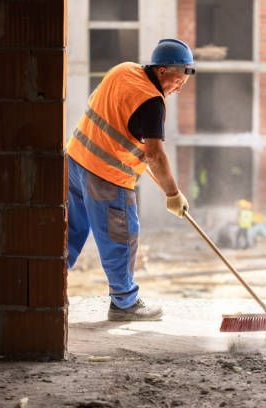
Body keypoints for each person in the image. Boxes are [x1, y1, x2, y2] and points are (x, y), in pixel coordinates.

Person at [65, 39, 195, 321]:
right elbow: (155, 156)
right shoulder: (152, 103)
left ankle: (47, 287)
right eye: (178, 79)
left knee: (68, 231)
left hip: (74, 162)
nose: (180, 86)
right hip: (106, 177)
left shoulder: (123, 70)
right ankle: (124, 303)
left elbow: (112, 116)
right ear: (162, 71)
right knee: (120, 238)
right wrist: (172, 194)